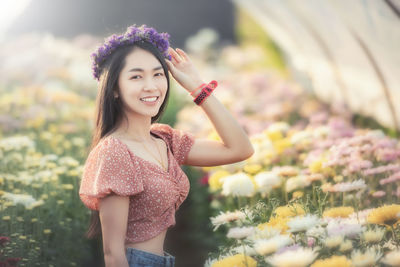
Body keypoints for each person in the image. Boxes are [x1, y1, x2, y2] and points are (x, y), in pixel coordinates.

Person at [78, 24, 254, 267]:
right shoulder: (115, 151)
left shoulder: (164, 139)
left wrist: (197, 87)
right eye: (136, 76)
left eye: (158, 74)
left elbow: (240, 148)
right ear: (115, 88)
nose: (151, 86)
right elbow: (113, 254)